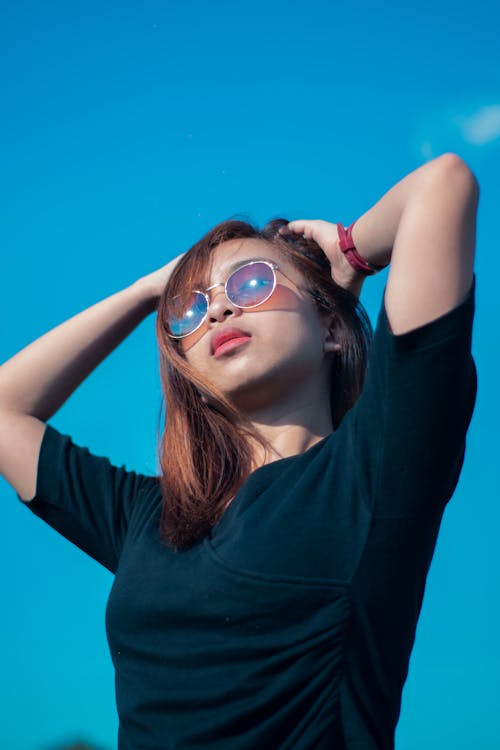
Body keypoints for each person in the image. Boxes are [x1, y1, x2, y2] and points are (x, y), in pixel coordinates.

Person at [0, 152, 478, 749]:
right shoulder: (148, 518)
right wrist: (150, 291)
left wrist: (350, 252)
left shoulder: (373, 471)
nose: (220, 308)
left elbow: (443, 184)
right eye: (192, 310)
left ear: (331, 328)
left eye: (251, 283)